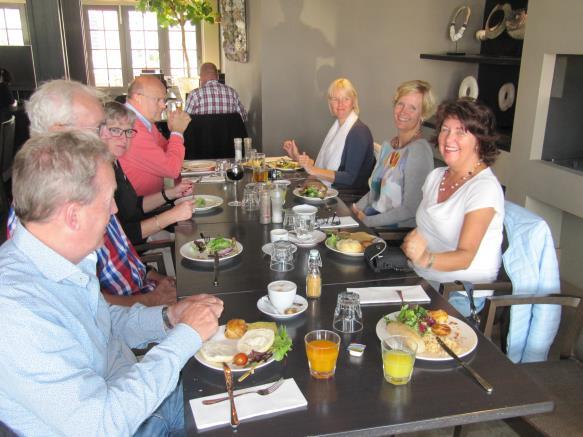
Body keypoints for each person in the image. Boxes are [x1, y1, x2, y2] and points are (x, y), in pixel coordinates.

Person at [0, 130, 223, 435]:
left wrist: (169, 318)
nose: (116, 211)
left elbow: (102, 324)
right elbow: (102, 424)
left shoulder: (65, 259)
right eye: (109, 201)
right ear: (73, 216)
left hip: (139, 396)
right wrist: (185, 337)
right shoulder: (16, 312)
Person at [7, 79, 177, 307]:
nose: (107, 136)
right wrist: (152, 302)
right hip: (129, 317)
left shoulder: (90, 181)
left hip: (141, 296)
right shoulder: (46, 207)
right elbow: (86, 306)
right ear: (59, 131)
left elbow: (123, 256)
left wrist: (157, 280)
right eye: (99, 128)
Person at [401, 98, 504, 316]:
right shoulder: (436, 176)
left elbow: (465, 256)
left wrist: (425, 258)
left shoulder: (484, 187)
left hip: (457, 294)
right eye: (445, 129)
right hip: (422, 281)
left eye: (461, 132)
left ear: (479, 140)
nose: (449, 138)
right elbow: (426, 228)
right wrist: (413, 246)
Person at [102, 101, 194, 245]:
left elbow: (134, 207)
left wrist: (171, 193)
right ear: (98, 131)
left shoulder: (114, 163)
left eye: (127, 132)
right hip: (133, 250)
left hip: (139, 228)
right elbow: (120, 234)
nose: (124, 138)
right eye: (115, 130)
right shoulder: (99, 176)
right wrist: (171, 216)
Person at [352, 80, 436, 227]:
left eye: (412, 108)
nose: (403, 111)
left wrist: (366, 221)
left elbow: (411, 209)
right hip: (372, 221)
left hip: (394, 235)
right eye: (400, 104)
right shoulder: (389, 147)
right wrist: (353, 210)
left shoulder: (419, 152)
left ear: (422, 115)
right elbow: (375, 192)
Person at [282, 78, 375, 192]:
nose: (340, 104)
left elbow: (349, 178)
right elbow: (322, 166)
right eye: (335, 99)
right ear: (330, 103)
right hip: (331, 191)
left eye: (346, 98)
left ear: (353, 101)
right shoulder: (337, 128)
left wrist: (312, 170)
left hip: (347, 198)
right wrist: (296, 157)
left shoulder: (359, 132)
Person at [119, 75, 191, 196]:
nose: (163, 106)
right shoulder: (131, 128)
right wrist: (177, 132)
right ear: (138, 97)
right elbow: (172, 169)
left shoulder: (142, 121)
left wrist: (173, 130)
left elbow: (165, 153)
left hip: (152, 200)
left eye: (164, 100)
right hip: (141, 209)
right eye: (158, 100)